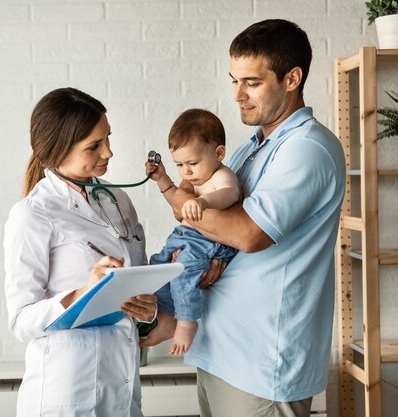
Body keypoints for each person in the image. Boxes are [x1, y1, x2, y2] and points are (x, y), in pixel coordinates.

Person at [141, 19, 346, 417]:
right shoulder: (249, 149)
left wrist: (199, 217)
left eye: (251, 82)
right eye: (233, 80)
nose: (237, 95)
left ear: (292, 78)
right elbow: (199, 209)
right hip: (220, 351)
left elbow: (248, 233)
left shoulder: (307, 148)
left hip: (263, 364)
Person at [4, 87, 158, 417]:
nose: (109, 153)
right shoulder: (32, 214)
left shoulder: (118, 201)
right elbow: (21, 320)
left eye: (108, 139)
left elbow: (137, 283)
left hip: (124, 387)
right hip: (66, 394)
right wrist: (84, 292)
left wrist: (148, 312)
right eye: (94, 146)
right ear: (58, 150)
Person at [145, 109, 240, 355]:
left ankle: (187, 322)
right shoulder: (194, 180)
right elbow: (177, 205)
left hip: (207, 243)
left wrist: (204, 202)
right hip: (184, 236)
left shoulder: (222, 176)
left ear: (218, 153)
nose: (186, 172)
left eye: (192, 163)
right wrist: (162, 178)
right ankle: (166, 316)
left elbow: (230, 194)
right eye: (179, 164)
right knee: (158, 267)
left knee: (183, 273)